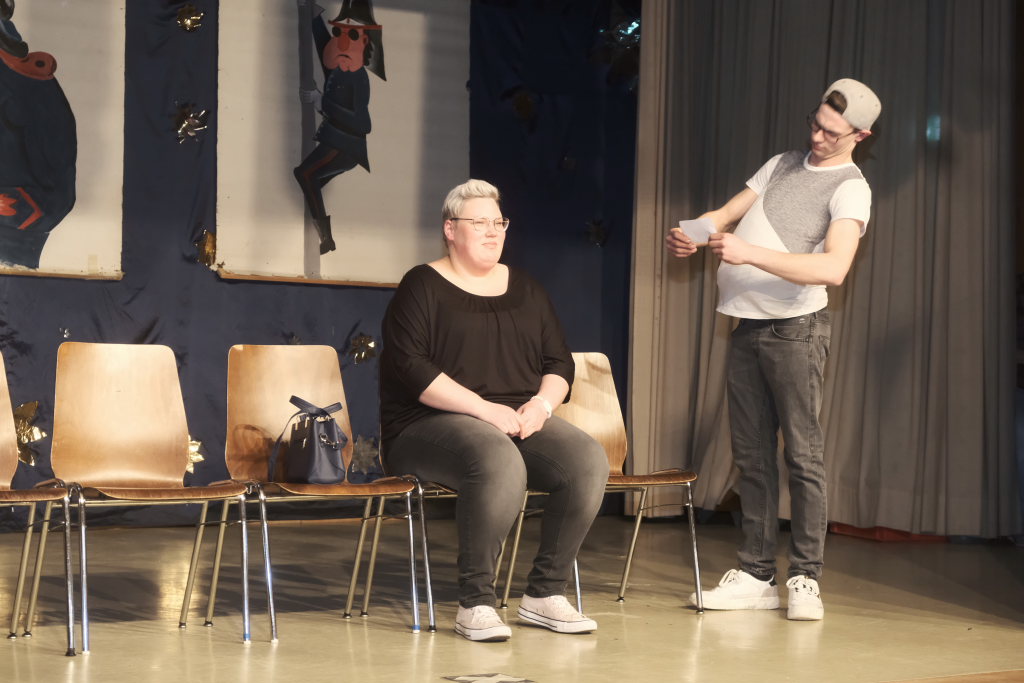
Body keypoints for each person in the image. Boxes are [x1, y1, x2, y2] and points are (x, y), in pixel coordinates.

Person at [665, 79, 881, 621]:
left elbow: (834, 268)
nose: (818, 137)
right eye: (815, 124)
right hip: (747, 327)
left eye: (832, 133)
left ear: (860, 136)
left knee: (802, 456)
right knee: (751, 455)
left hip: (796, 331)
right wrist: (693, 233)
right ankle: (757, 573)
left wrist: (749, 254)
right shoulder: (782, 163)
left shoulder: (851, 188)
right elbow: (723, 216)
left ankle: (805, 577)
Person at [380, 179, 609, 642]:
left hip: (514, 421)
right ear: (450, 229)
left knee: (586, 459)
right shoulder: (421, 285)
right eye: (479, 222)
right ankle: (476, 602)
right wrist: (484, 410)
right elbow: (411, 368)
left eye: (499, 222)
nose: (492, 231)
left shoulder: (527, 288)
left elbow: (558, 362)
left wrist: (541, 405)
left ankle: (545, 593)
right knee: (496, 458)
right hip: (426, 426)